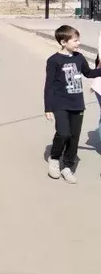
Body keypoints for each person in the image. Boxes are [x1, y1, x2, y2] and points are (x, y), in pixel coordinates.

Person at [44, 25, 101, 183]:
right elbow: (49, 85)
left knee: (74, 137)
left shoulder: (79, 57)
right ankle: (55, 158)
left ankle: (67, 166)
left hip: (77, 103)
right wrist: (48, 107)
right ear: (63, 42)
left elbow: (88, 73)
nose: (78, 43)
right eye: (75, 40)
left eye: (78, 40)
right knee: (63, 133)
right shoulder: (53, 61)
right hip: (60, 103)